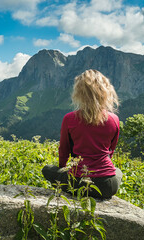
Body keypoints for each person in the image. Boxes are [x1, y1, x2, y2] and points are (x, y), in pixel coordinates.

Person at [42, 69, 122, 199]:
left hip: (77, 182)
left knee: (47, 169)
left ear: (79, 93)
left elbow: (64, 150)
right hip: (107, 186)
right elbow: (110, 151)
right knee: (117, 172)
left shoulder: (69, 118)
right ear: (106, 92)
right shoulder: (114, 119)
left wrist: (62, 170)